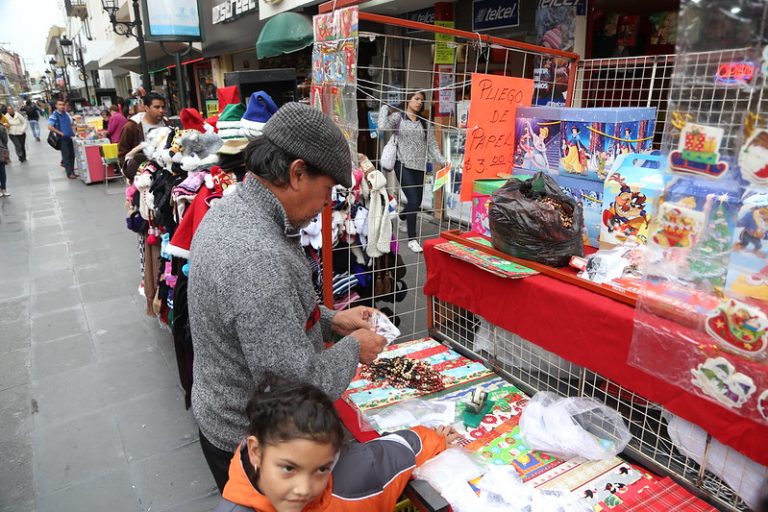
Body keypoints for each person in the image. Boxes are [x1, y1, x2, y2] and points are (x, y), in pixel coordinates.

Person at [189, 102, 388, 492]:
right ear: (297, 173)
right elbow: (294, 384)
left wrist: (332, 320)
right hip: (251, 443)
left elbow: (265, 319)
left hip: (228, 415)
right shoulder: (256, 256)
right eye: (327, 191)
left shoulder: (238, 208)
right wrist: (353, 349)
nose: (326, 205)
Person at [214, 377, 455, 512]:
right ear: (256, 452)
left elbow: (399, 452)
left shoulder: (353, 478)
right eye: (289, 468)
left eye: (321, 469)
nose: (304, 489)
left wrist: (436, 440)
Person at [378, 91, 446, 253]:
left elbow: (432, 145)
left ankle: (402, 217)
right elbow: (382, 126)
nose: (419, 103)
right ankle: (412, 240)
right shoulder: (398, 118)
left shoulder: (424, 122)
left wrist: (442, 160)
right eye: (416, 99)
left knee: (416, 201)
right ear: (408, 100)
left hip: (419, 166)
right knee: (414, 200)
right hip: (402, 163)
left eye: (421, 100)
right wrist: (384, 108)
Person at [117, 92, 167, 181]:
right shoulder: (132, 126)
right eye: (156, 107)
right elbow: (122, 154)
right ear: (146, 108)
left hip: (164, 175)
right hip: (141, 178)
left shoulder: (167, 123)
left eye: (163, 107)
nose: (161, 110)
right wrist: (131, 174)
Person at [48, 99, 77, 179]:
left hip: (70, 137)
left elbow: (72, 123)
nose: (62, 106)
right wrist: (61, 133)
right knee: (66, 156)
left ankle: (72, 172)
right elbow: (50, 126)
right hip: (62, 139)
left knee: (72, 155)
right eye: (60, 105)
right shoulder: (54, 115)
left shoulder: (66, 114)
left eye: (63, 104)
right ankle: (69, 173)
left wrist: (73, 129)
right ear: (56, 106)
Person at [0, 122, 10, 196]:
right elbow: (5, 140)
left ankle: (3, 189)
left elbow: (5, 140)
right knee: (2, 171)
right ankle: (3, 189)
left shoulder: (1, 127)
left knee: (2, 170)